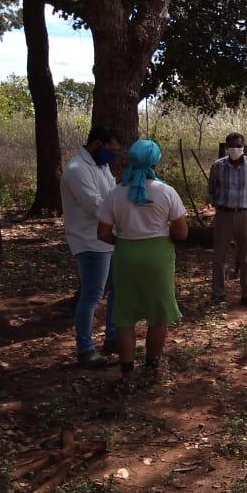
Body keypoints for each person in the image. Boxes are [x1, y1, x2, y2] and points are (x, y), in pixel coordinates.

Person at [97, 140, 189, 380]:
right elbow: (181, 233)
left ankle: (126, 368)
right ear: (155, 161)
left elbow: (103, 233)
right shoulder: (166, 192)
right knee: (158, 315)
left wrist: (126, 243)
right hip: (157, 256)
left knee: (124, 314)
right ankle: (152, 365)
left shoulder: (116, 193)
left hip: (125, 255)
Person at [60, 124, 121, 368]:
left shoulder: (101, 166)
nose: (112, 154)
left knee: (117, 289)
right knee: (92, 296)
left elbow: (112, 196)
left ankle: (113, 337)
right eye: (110, 149)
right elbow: (96, 206)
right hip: (90, 241)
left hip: (108, 238)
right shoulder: (77, 170)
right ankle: (85, 349)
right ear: (96, 144)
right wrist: (125, 212)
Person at [207, 132, 247, 307]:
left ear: (243, 147)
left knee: (246, 257)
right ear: (226, 148)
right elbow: (211, 189)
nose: (235, 150)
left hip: (245, 215)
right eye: (232, 147)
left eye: (239, 146)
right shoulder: (218, 166)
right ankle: (218, 293)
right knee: (218, 256)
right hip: (223, 215)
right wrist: (219, 205)